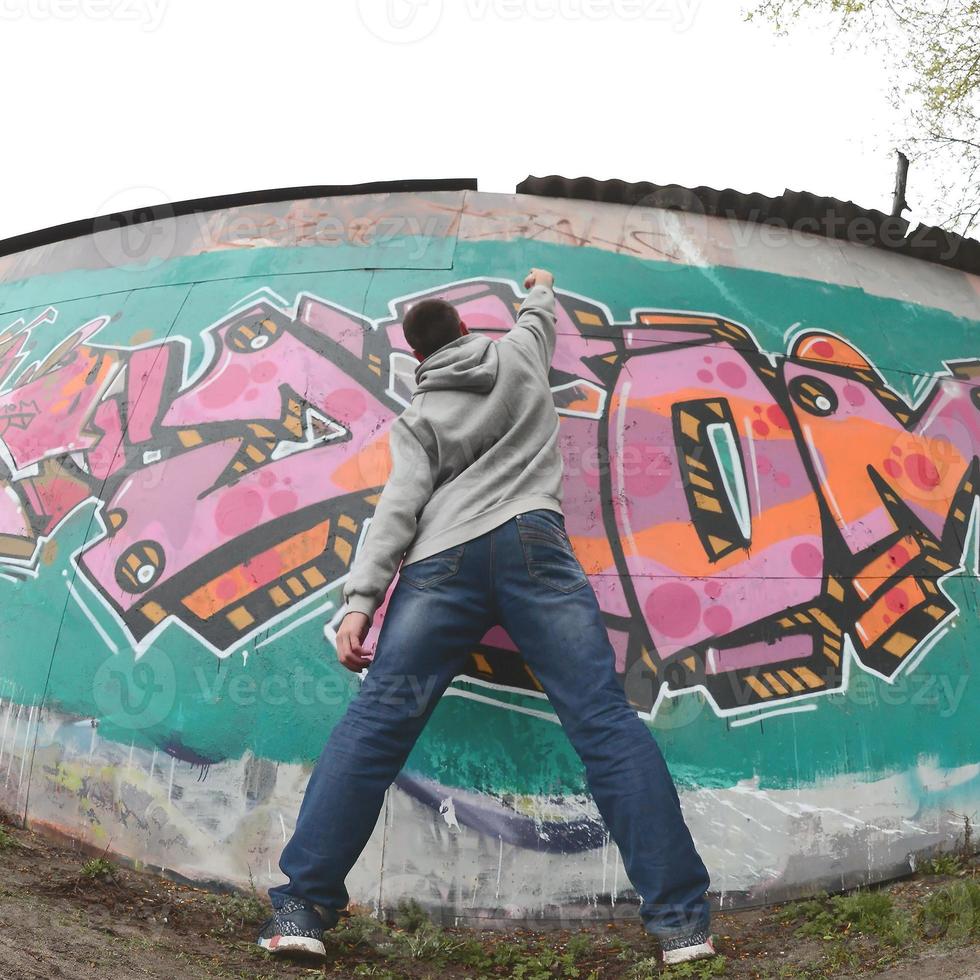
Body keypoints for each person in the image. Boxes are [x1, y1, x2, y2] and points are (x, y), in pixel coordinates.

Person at [258, 268, 715, 965]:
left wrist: (360, 602)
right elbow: (539, 317)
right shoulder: (518, 354)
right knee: (602, 721)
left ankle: (301, 909)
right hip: (536, 546)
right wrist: (539, 285)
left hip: (442, 564)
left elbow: (397, 511)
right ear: (467, 332)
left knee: (378, 723)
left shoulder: (419, 419)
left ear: (418, 359)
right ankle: (682, 925)